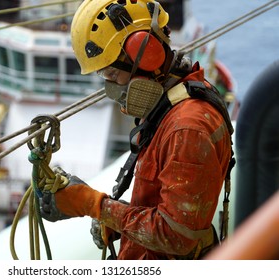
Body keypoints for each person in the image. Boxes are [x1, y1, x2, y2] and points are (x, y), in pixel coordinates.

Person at [40, 0, 234, 260]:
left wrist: (94, 205)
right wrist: (119, 220)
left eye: (111, 74)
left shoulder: (187, 129)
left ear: (147, 55)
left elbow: (177, 236)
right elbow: (163, 207)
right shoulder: (171, 104)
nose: (111, 87)